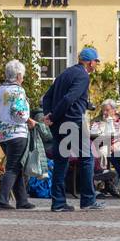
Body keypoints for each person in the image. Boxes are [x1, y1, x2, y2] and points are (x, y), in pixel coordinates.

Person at [41, 47, 105, 212]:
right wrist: (53, 116)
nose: (95, 66)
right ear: (90, 62)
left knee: (61, 162)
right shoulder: (83, 75)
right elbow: (69, 98)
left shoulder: (65, 73)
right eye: (95, 63)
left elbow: (47, 96)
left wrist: (49, 114)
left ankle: (58, 203)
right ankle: (88, 200)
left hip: (59, 124)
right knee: (87, 158)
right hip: (73, 122)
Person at [0, 59, 38, 210]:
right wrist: (29, 120)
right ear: (19, 75)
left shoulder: (0, 90)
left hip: (2, 135)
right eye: (23, 75)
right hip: (17, 134)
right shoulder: (18, 91)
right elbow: (19, 113)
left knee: (16, 166)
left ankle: (22, 200)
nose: (23, 78)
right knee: (13, 167)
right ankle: (2, 201)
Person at [92, 99, 120, 197]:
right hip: (101, 144)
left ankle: (115, 184)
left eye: (107, 110)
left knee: (114, 152)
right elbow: (93, 134)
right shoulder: (98, 120)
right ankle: (103, 182)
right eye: (103, 110)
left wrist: (116, 144)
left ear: (113, 110)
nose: (104, 112)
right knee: (102, 152)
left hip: (118, 144)